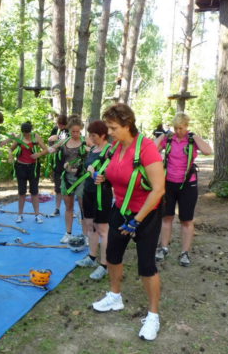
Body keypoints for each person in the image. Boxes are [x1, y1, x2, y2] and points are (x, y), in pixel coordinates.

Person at [91, 104, 165, 341]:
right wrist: (100, 176)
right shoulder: (115, 147)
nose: (109, 132)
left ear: (127, 125)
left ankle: (153, 316)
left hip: (146, 213)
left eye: (113, 128)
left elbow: (158, 190)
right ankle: (115, 296)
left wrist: (137, 221)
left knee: (146, 266)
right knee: (112, 255)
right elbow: (113, 174)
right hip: (120, 210)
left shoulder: (147, 148)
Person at [154, 113, 212, 267]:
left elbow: (208, 151)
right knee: (166, 217)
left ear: (187, 126)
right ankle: (163, 248)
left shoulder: (191, 140)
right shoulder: (169, 139)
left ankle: (185, 252)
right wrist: (164, 135)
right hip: (169, 184)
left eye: (181, 128)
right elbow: (152, 149)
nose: (178, 131)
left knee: (186, 220)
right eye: (176, 128)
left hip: (188, 185)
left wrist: (195, 136)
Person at [75, 120, 113, 280]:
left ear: (103, 135)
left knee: (103, 229)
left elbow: (113, 174)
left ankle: (104, 265)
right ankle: (91, 257)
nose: (90, 137)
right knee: (90, 226)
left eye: (93, 135)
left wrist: (101, 177)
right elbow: (87, 169)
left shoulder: (109, 151)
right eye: (90, 134)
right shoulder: (93, 149)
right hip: (88, 192)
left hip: (102, 194)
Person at [48, 115, 87, 243]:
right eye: (73, 131)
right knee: (68, 207)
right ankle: (68, 233)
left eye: (77, 131)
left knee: (83, 208)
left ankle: (86, 235)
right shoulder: (64, 141)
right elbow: (52, 148)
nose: (75, 134)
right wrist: (50, 146)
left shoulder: (85, 141)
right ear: (69, 130)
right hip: (67, 178)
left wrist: (89, 150)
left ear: (81, 130)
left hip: (81, 178)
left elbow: (98, 150)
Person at [10, 122, 49, 224]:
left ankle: (37, 215)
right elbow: (11, 149)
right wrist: (10, 155)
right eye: (24, 133)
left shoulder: (36, 137)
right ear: (22, 131)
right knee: (22, 192)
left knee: (34, 192)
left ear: (31, 131)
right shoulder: (19, 137)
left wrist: (39, 154)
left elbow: (46, 149)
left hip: (33, 167)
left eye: (28, 133)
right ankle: (20, 215)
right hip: (20, 167)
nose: (26, 135)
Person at [47, 114, 69, 216]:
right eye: (58, 124)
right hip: (58, 164)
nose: (60, 126)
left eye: (62, 125)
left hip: (68, 163)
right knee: (58, 188)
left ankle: (70, 209)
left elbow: (69, 143)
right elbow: (50, 144)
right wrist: (51, 141)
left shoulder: (69, 131)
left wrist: (58, 139)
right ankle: (57, 209)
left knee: (69, 188)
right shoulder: (55, 129)